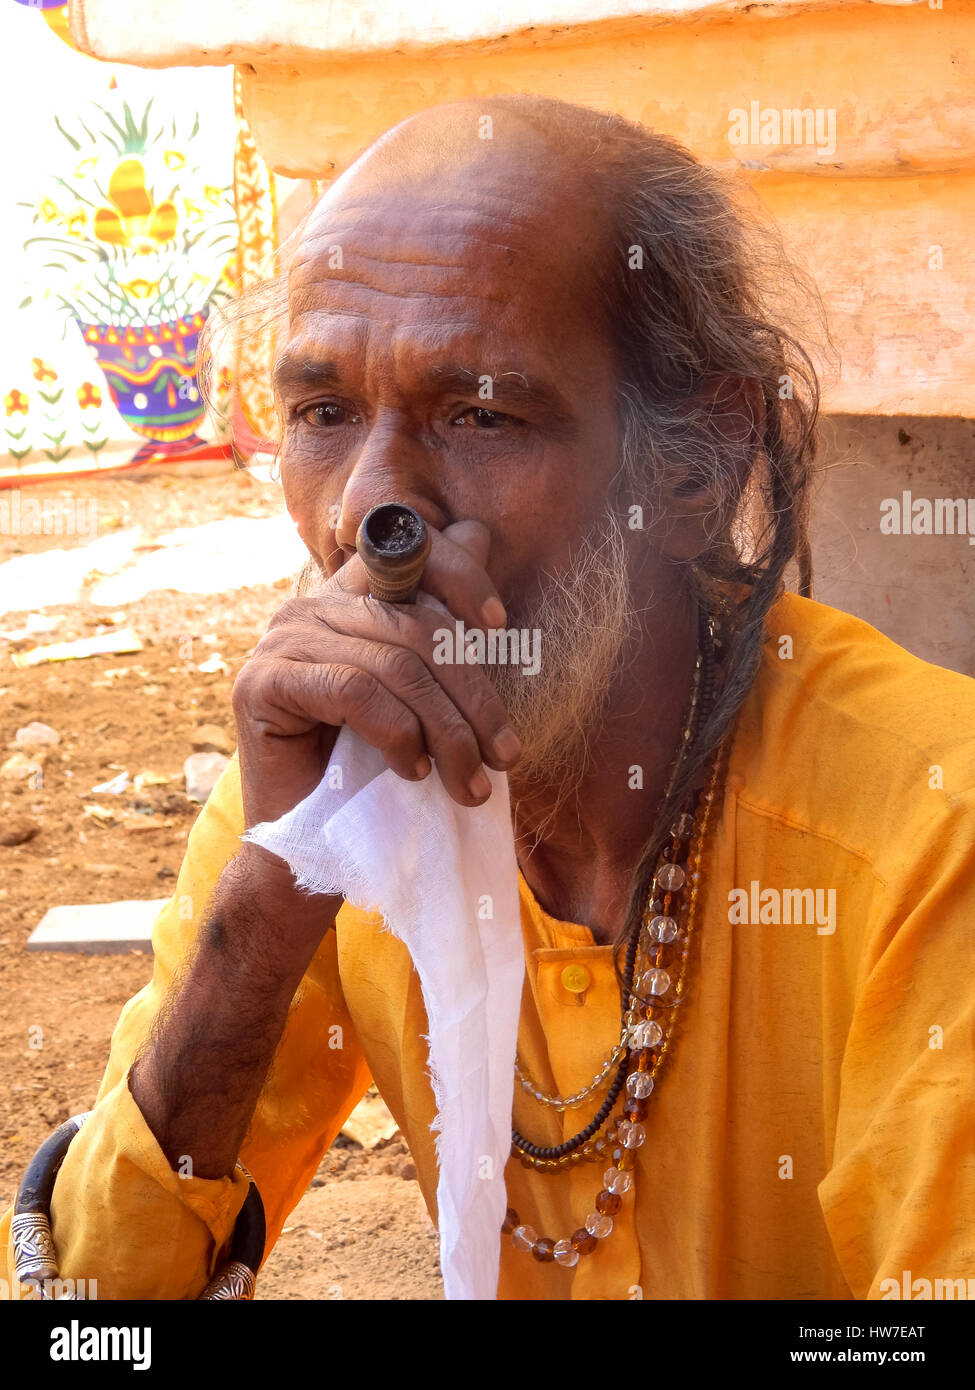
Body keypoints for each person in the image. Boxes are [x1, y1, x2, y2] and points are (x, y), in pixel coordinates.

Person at [3, 93, 973, 1301]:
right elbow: (91, 1315)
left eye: (480, 413)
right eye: (323, 413)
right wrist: (264, 909)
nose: (367, 511)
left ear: (692, 466)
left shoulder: (931, 833)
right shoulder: (321, 797)